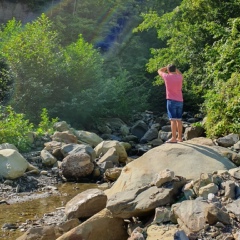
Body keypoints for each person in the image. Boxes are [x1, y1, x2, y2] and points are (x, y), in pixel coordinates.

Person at [158, 64, 183, 143]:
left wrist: (166, 67)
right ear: (175, 69)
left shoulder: (167, 77)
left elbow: (159, 70)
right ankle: (180, 138)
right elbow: (180, 73)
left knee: (173, 120)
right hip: (180, 100)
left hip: (171, 100)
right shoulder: (180, 77)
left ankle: (173, 138)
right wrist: (175, 69)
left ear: (168, 71)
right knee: (179, 120)